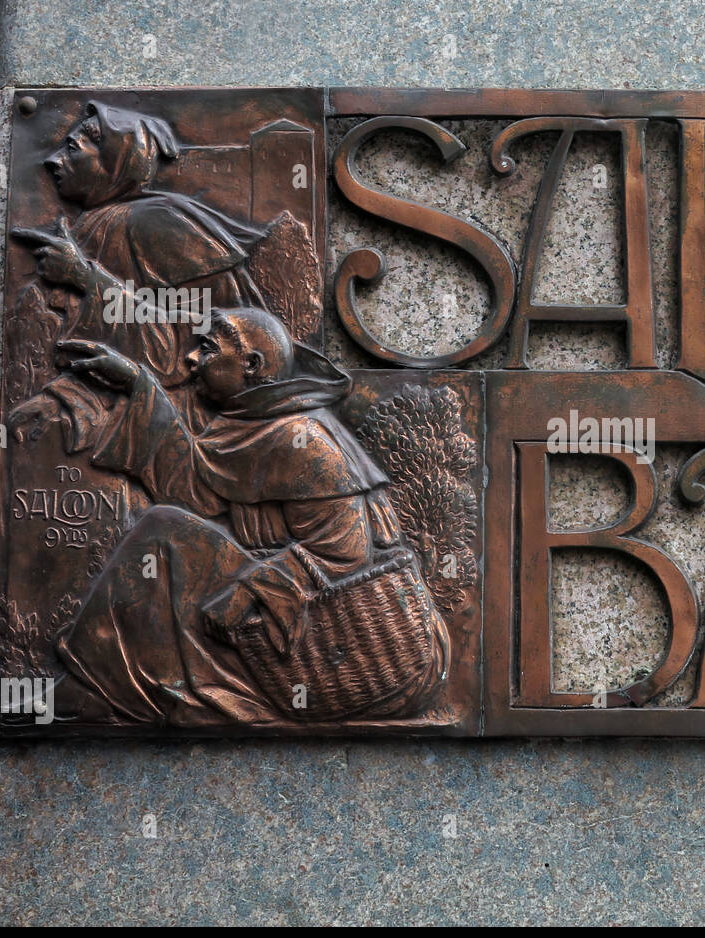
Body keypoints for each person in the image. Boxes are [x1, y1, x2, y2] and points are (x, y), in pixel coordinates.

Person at [48, 309, 447, 726]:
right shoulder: (254, 423)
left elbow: (348, 556)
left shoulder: (305, 441)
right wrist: (136, 382)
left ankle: (91, 685)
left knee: (162, 530)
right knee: (169, 528)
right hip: (287, 596)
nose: (190, 360)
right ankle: (109, 682)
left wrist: (245, 592)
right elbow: (198, 489)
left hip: (344, 644)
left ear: (252, 366)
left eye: (207, 349)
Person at [9, 101, 269, 448]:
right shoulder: (100, 222)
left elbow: (207, 340)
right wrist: (60, 398)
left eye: (72, 148)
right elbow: (111, 344)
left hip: (200, 431)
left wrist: (85, 277)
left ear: (113, 160)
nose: (52, 159)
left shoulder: (158, 222)